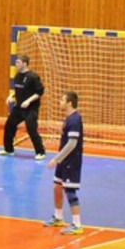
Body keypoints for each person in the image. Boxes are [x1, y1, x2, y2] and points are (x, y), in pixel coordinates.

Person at [43, 91, 84, 235]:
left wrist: (56, 159)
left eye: (62, 100)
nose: (59, 102)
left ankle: (77, 224)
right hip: (64, 160)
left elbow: (72, 144)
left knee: (70, 191)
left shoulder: (74, 120)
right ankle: (58, 217)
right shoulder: (68, 119)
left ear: (69, 103)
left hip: (71, 161)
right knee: (57, 186)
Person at [0, 54, 46, 160]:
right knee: (9, 125)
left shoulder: (33, 77)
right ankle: (9, 149)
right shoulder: (18, 76)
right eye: (16, 62)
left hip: (31, 109)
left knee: (31, 129)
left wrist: (28, 101)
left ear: (25, 63)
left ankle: (40, 152)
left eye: (18, 62)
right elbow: (18, 90)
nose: (16, 64)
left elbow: (39, 92)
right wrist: (11, 96)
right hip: (19, 108)